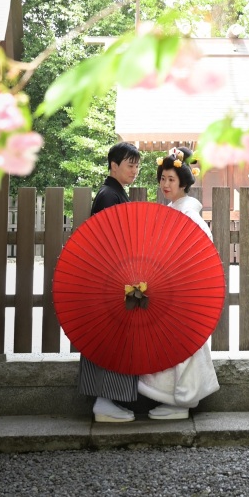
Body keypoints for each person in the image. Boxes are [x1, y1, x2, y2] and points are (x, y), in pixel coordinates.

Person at [137, 146, 220, 420]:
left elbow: (199, 258)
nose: (165, 184)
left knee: (182, 347)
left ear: (183, 182)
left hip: (184, 291)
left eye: (172, 179)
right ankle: (175, 398)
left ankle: (181, 400)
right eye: (163, 179)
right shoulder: (173, 212)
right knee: (171, 346)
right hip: (169, 289)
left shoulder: (189, 217)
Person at [78, 141, 142, 423]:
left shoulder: (113, 193)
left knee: (113, 340)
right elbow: (108, 243)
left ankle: (108, 401)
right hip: (110, 279)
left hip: (112, 277)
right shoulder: (108, 196)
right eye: (130, 164)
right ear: (113, 166)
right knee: (111, 340)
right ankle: (104, 402)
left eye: (137, 165)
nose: (135, 170)